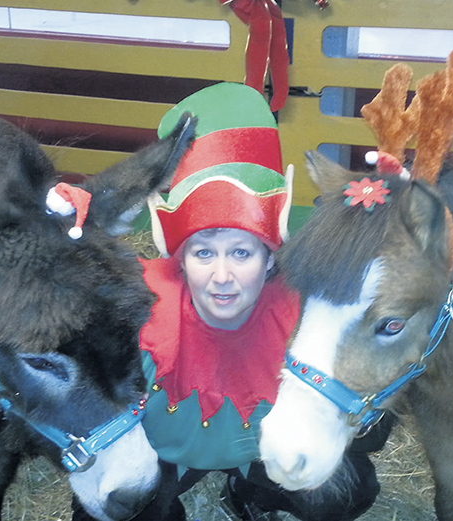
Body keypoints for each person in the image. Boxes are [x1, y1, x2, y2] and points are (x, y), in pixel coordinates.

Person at [73, 82, 392, 521]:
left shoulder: (305, 316)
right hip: (160, 454)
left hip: (263, 452)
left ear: (269, 258)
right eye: (204, 252)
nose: (222, 276)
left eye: (241, 252)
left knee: (340, 492)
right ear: (180, 259)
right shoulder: (135, 308)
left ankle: (248, 491)